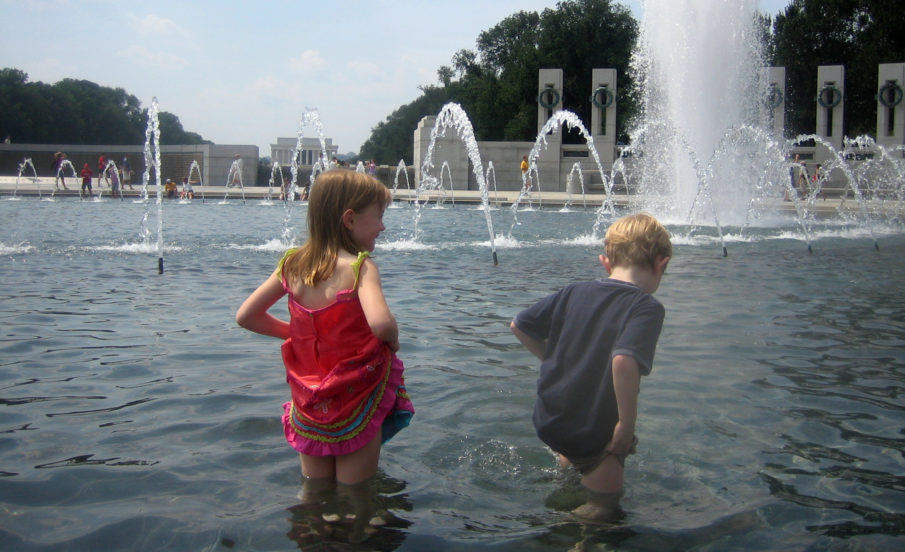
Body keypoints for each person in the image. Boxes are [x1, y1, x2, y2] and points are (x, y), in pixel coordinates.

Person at [236, 170, 413, 541]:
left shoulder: (292, 265)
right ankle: (356, 539)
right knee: (355, 493)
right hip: (356, 398)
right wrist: (394, 341)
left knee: (314, 491)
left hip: (310, 400)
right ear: (350, 219)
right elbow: (381, 323)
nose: (383, 227)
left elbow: (246, 316)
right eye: (379, 216)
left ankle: (311, 538)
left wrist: (296, 333)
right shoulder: (361, 267)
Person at [510, 212, 672, 523]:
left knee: (572, 466)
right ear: (660, 264)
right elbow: (623, 361)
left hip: (551, 419)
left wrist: (557, 360)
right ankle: (571, 530)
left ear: (606, 262)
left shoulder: (574, 291)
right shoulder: (646, 307)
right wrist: (626, 427)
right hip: (594, 431)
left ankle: (569, 478)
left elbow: (519, 326)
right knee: (603, 508)